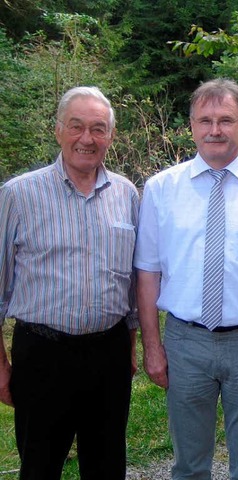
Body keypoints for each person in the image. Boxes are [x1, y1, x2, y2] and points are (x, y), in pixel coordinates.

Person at [135, 78, 238, 480]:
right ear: (191, 126)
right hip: (185, 342)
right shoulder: (161, 190)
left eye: (225, 120)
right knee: (189, 466)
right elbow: (146, 273)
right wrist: (152, 346)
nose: (215, 130)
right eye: (205, 120)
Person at [0, 86, 139, 479]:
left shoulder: (127, 194)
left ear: (111, 136)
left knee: (107, 465)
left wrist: (129, 348)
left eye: (98, 129)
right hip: (42, 354)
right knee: (40, 466)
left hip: (108, 354)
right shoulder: (18, 194)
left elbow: (129, 288)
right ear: (58, 130)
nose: (87, 138)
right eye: (76, 126)